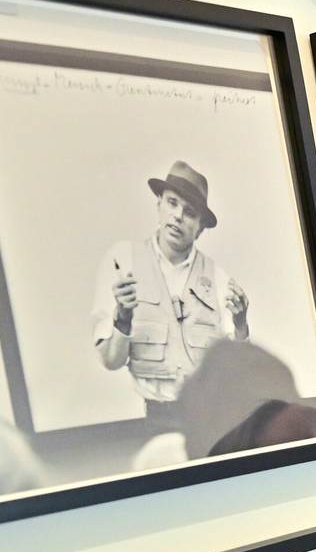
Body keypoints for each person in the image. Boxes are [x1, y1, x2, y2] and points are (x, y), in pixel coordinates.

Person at [93, 160, 250, 417]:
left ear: (200, 228)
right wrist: (122, 317)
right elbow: (111, 361)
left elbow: (238, 369)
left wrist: (241, 324)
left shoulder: (218, 279)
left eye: (189, 212)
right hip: (156, 419)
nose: (177, 216)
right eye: (172, 203)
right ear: (158, 206)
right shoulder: (123, 262)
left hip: (209, 418)